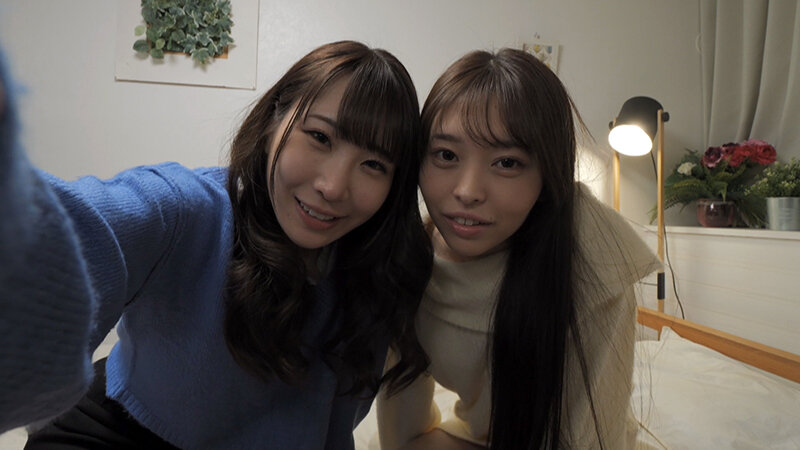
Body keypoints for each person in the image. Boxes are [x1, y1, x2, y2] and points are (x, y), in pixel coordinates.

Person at [0, 40, 433, 449]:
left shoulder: (377, 271)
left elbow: (333, 429)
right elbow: (75, 225)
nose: (333, 187)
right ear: (274, 120)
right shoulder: (187, 209)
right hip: (117, 427)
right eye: (319, 137)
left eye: (373, 164)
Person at [377, 48, 661, 449]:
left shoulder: (589, 250)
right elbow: (403, 433)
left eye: (507, 163)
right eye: (446, 155)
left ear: (548, 174)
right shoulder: (409, 261)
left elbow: (592, 436)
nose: (468, 191)